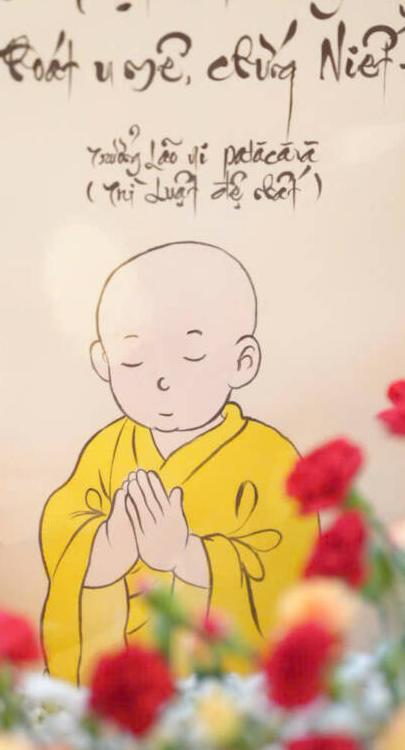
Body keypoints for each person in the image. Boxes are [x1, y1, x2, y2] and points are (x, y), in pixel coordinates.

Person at [40, 241, 318, 683]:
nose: (162, 377)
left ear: (243, 361)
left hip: (216, 692)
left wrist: (187, 556)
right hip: (120, 680)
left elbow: (287, 565)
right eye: (134, 355)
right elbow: (64, 527)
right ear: (103, 360)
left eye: (192, 352)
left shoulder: (272, 458)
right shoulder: (106, 449)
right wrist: (105, 549)